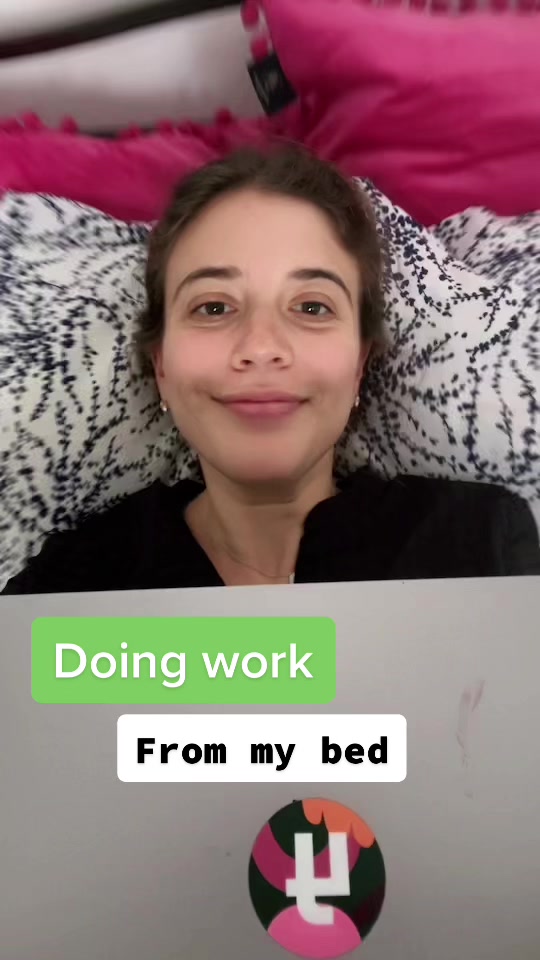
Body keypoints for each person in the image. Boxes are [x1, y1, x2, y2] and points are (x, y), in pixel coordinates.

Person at [3, 144, 540, 594]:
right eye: (214, 307)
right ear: (160, 363)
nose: (261, 347)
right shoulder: (70, 585)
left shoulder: (479, 545)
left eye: (312, 307)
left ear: (359, 364)